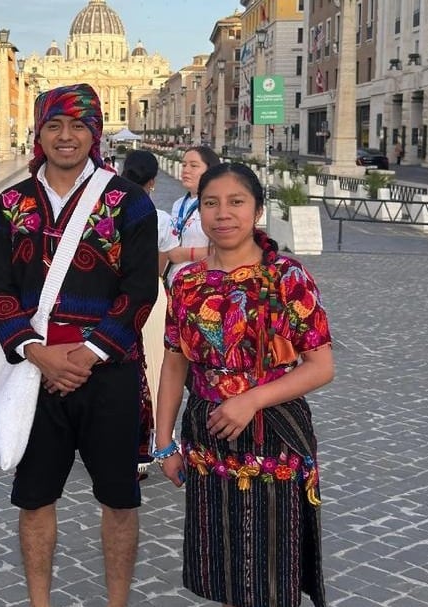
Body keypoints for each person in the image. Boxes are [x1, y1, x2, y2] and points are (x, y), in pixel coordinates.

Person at [0, 83, 158, 607]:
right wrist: (35, 350)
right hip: (36, 372)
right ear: (39, 132)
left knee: (120, 501)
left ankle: (117, 602)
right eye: (54, 125)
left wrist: (90, 352)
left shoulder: (127, 200)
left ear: (95, 132)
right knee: (35, 501)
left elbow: (140, 287)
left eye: (78, 125)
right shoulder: (11, 203)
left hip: (107, 372)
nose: (66, 136)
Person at [154, 163, 334, 607]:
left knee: (271, 568)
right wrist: (163, 442)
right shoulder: (187, 283)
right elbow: (174, 364)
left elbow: (320, 366)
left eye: (236, 202)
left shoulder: (287, 277)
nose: (223, 214)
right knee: (224, 563)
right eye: (211, 203)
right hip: (208, 433)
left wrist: (250, 400)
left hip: (272, 430)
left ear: (256, 210)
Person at [121, 150, 175, 475]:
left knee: (122, 370)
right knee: (154, 373)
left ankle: (116, 442)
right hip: (153, 297)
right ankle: (151, 446)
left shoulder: (110, 212)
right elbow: (160, 265)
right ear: (153, 181)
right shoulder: (162, 218)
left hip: (116, 297)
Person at [164, 145, 220, 289]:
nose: (186, 170)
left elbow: (230, 249)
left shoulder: (218, 205)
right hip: (175, 285)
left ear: (210, 170)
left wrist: (186, 254)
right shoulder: (178, 204)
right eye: (184, 165)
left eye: (194, 165)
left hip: (205, 286)